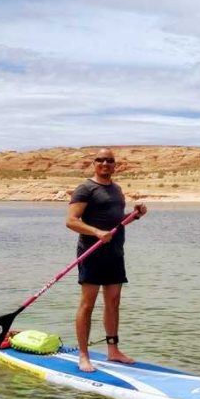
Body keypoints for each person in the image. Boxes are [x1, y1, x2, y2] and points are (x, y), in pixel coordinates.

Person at [66, 148, 147, 372]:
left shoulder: (117, 189)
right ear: (94, 163)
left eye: (109, 160)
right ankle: (83, 355)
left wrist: (135, 215)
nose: (105, 163)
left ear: (114, 165)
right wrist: (96, 232)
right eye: (100, 160)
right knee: (87, 304)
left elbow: (117, 222)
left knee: (113, 303)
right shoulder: (85, 188)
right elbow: (71, 221)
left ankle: (114, 351)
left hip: (114, 253)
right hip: (91, 253)